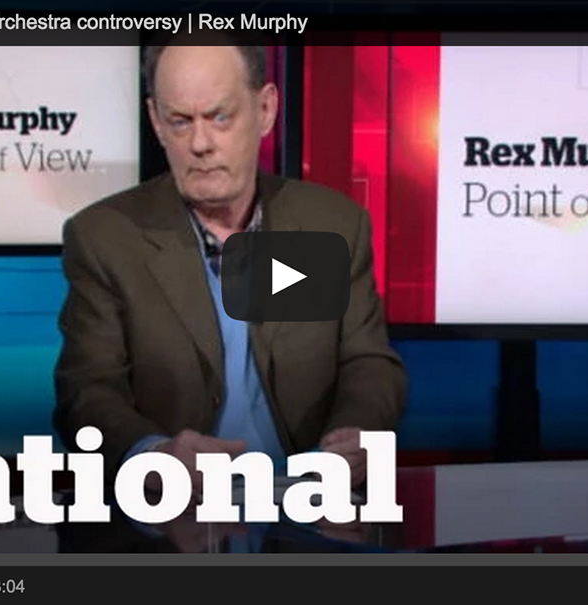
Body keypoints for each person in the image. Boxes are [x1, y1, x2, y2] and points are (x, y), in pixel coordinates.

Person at [52, 37, 406, 499]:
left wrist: (357, 434)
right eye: (180, 121)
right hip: (171, 512)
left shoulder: (333, 225)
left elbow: (369, 363)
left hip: (310, 504)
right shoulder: (105, 238)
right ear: (156, 121)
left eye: (220, 117)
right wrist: (154, 455)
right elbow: (86, 392)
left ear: (265, 109)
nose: (200, 144)